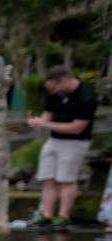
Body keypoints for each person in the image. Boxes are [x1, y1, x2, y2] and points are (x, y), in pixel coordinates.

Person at [27, 66, 98, 230]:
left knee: (66, 179)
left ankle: (64, 216)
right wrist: (38, 121)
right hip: (54, 140)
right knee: (48, 178)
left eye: (55, 88)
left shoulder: (86, 96)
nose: (54, 92)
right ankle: (47, 215)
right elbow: (48, 112)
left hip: (75, 142)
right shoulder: (55, 95)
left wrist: (46, 124)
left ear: (65, 81)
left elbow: (77, 127)